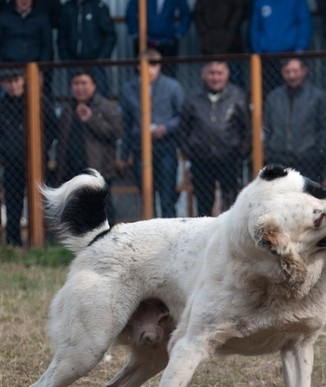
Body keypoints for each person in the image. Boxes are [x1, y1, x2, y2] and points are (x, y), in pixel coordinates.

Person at [119, 48, 186, 219]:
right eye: (146, 64)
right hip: (139, 147)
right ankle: (150, 234)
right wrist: (123, 154)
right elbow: (126, 123)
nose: (150, 68)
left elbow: (183, 116)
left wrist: (166, 127)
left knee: (167, 196)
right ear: (138, 66)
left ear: (160, 66)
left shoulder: (173, 86)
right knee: (146, 195)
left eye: (154, 64)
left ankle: (171, 236)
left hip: (166, 147)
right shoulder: (129, 89)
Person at [179, 61, 251, 217]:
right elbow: (183, 128)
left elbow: (247, 128)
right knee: (204, 203)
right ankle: (205, 238)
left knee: (231, 203)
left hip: (230, 159)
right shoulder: (192, 97)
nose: (215, 77)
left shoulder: (237, 96)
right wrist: (189, 152)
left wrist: (241, 152)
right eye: (211, 73)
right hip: (201, 160)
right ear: (203, 74)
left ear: (227, 74)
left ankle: (230, 239)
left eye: (220, 73)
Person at [50, 69, 121, 224]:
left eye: (84, 83)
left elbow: (116, 132)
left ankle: (111, 241)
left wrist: (91, 119)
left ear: (93, 85)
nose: (80, 87)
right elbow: (60, 140)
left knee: (103, 209)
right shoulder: (67, 109)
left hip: (99, 169)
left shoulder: (106, 106)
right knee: (75, 211)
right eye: (76, 83)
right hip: (71, 169)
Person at [0, 69, 56, 247]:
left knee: (42, 200)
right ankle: (13, 241)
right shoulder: (2, 106)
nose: (13, 85)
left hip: (37, 163)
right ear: (3, 84)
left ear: (23, 81)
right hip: (11, 163)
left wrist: (40, 148)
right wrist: (4, 153)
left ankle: (45, 240)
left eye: (16, 80)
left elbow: (53, 127)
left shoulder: (38, 102)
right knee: (13, 202)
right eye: (8, 81)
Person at [263, 57, 326, 185]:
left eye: (295, 71)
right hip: (278, 159)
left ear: (304, 71)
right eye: (287, 71)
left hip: (308, 160)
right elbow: (266, 127)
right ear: (282, 73)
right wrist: (269, 153)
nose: (291, 75)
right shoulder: (273, 98)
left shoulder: (318, 97)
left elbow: (325, 128)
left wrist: (319, 153)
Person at [56, 0, 117, 97]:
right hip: (73, 62)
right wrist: (66, 58)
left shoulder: (99, 7)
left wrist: (102, 58)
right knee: (75, 96)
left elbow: (109, 35)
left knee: (99, 95)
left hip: (95, 62)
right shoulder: (66, 8)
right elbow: (62, 37)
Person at [125, 0, 191, 78]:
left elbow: (186, 15)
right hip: (146, 42)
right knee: (144, 74)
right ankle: (144, 90)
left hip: (168, 43)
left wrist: (178, 34)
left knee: (169, 74)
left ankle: (168, 90)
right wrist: (135, 33)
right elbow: (130, 13)